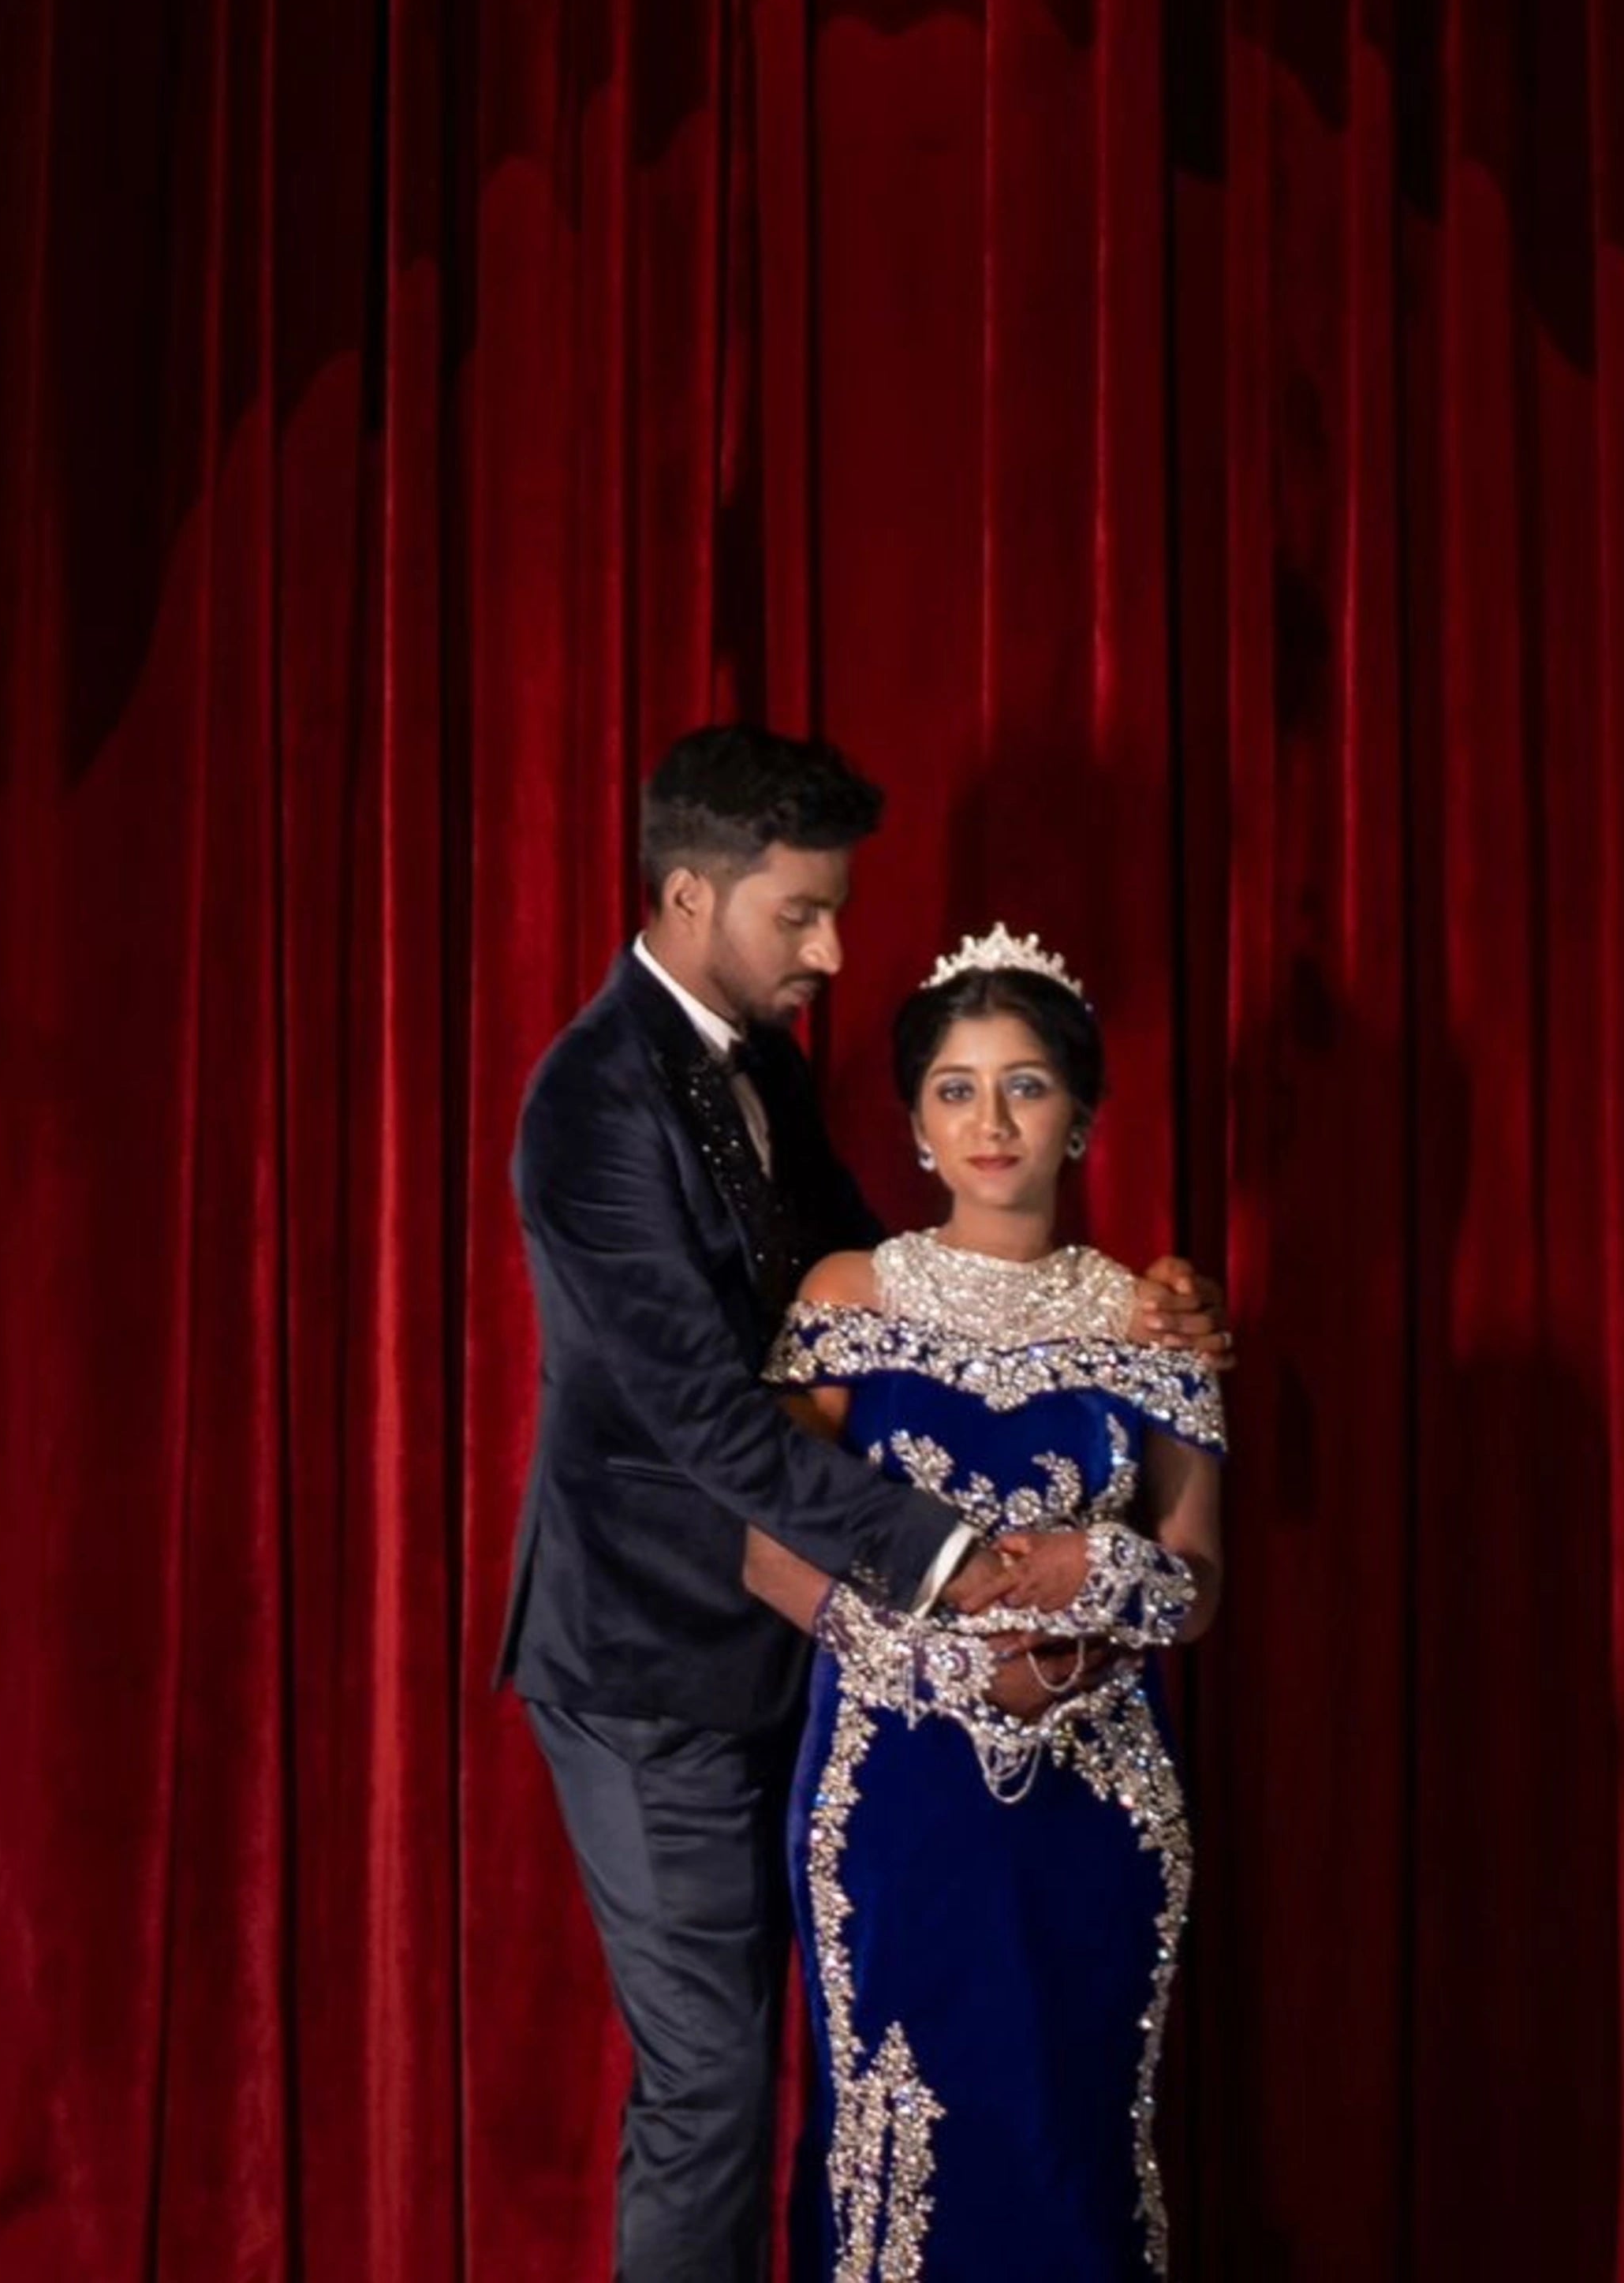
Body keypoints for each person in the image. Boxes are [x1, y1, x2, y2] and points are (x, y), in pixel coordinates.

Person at [502, 727, 1221, 2281]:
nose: (831, 949)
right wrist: (971, 1572)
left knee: (859, 2066)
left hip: (819, 1674)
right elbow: (708, 1412)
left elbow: (884, 1293)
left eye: (833, 912)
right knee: (711, 2086)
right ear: (690, 896)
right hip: (659, 1659)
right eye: (801, 913)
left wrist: (1140, 1314)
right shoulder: (593, 1105)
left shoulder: (754, 1058)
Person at [747, 927, 1227, 2283]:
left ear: (1080, 1114)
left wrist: (1096, 1577)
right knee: (897, 2129)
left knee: (1073, 2135)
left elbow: (1196, 1582)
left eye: (1025, 1085)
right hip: (894, 1787)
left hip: (1100, 1792)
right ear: (913, 1123)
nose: (991, 1122)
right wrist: (942, 1671)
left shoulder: (1148, 1320)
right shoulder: (848, 1294)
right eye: (955, 1089)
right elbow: (767, 1550)